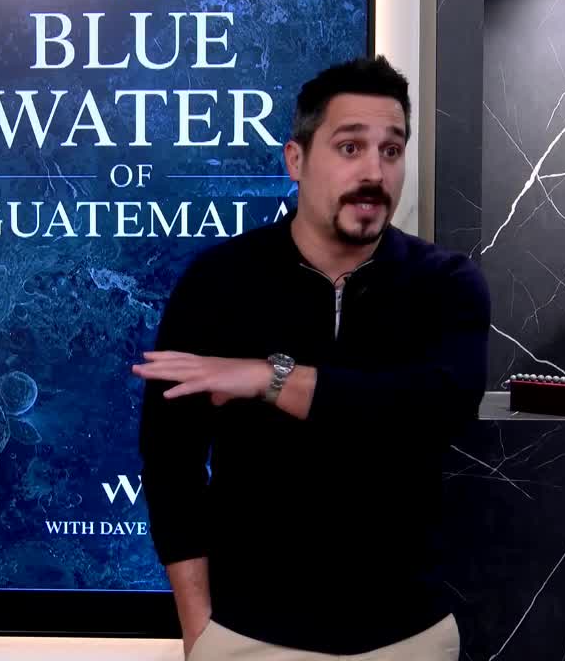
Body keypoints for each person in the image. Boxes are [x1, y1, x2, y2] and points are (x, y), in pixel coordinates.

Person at [131, 55, 490, 660]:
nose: (374, 171)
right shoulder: (219, 282)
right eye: (350, 148)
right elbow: (170, 462)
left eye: (391, 150)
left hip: (410, 634)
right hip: (249, 635)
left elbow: (432, 412)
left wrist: (268, 379)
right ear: (295, 160)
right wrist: (200, 629)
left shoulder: (447, 285)